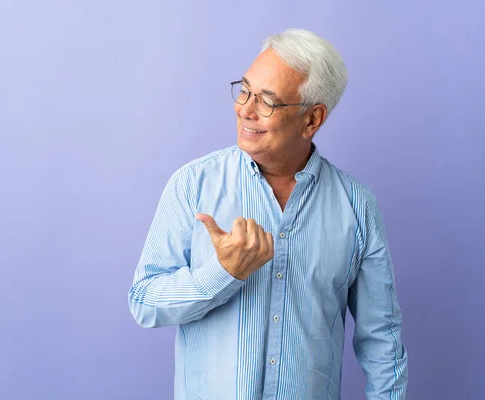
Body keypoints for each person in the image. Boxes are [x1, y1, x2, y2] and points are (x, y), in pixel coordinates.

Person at [128, 28, 408, 399]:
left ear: (312, 120)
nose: (244, 109)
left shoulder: (357, 206)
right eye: (244, 90)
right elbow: (144, 302)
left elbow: (381, 340)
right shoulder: (193, 184)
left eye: (267, 101)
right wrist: (222, 273)